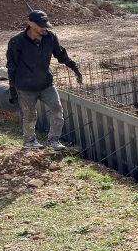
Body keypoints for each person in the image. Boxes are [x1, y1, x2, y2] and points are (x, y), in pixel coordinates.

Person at [6, 10, 83, 150]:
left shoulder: (50, 37)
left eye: (46, 25)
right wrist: (12, 89)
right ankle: (29, 141)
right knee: (29, 115)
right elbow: (11, 66)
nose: (44, 28)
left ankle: (54, 140)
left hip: (46, 84)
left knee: (57, 110)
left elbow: (61, 54)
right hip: (25, 86)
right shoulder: (17, 41)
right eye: (41, 25)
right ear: (29, 23)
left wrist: (74, 67)